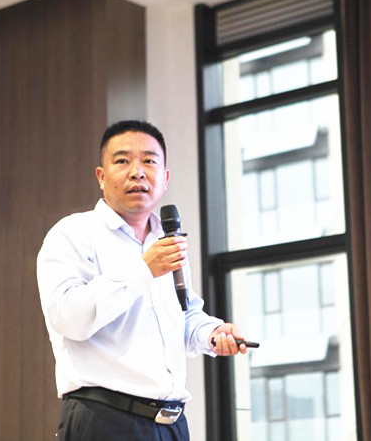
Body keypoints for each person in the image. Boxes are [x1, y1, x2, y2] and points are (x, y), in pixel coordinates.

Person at [37, 120, 248, 441]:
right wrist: (143, 269)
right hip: (104, 419)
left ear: (165, 179)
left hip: (172, 424)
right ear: (101, 176)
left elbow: (184, 314)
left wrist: (212, 333)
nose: (137, 172)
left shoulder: (166, 241)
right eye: (122, 161)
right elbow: (68, 318)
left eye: (149, 161)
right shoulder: (74, 233)